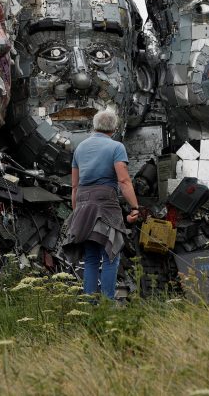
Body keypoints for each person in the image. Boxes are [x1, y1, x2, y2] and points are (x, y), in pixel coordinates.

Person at [65, 110, 141, 300]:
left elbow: (74, 185)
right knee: (111, 255)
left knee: (91, 258)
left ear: (94, 125)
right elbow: (123, 181)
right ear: (114, 128)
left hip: (83, 204)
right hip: (105, 203)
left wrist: (77, 213)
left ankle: (90, 304)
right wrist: (134, 208)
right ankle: (108, 305)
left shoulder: (80, 148)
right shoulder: (116, 147)